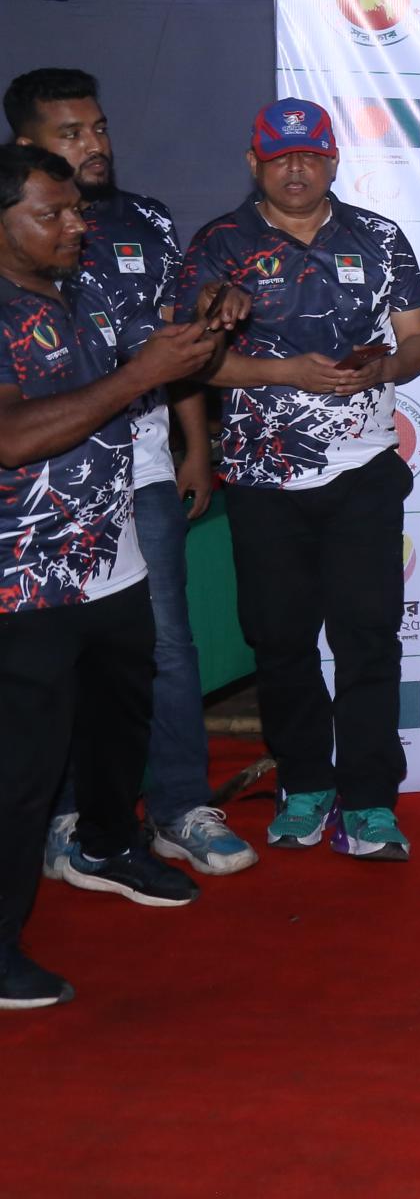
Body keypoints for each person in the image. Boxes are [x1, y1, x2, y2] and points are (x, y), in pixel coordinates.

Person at [1, 147, 235, 1008]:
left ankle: (105, 845)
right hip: (24, 585)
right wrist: (140, 375)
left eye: (75, 211)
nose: (76, 226)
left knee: (116, 731)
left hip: (114, 565)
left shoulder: (81, 292)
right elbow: (13, 438)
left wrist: (209, 320)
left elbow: (161, 360)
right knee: (22, 771)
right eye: (52, 215)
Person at [186, 100, 420, 862]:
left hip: (362, 472)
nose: (296, 169)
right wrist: (284, 372)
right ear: (254, 163)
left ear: (332, 161)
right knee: (280, 639)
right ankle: (303, 784)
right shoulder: (219, 244)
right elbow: (194, 360)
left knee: (368, 639)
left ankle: (370, 799)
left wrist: (382, 368)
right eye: (280, 157)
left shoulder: (378, 237)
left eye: (311, 155)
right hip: (262, 480)